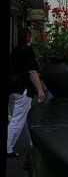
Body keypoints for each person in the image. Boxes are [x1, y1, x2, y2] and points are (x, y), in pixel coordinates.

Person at [8, 29, 46, 158]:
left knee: (24, 118)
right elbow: (32, 72)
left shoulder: (15, 50)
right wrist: (40, 89)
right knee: (17, 120)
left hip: (13, 89)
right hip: (23, 90)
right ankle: (7, 148)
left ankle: (32, 143)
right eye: (31, 36)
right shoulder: (28, 51)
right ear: (28, 38)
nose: (32, 38)